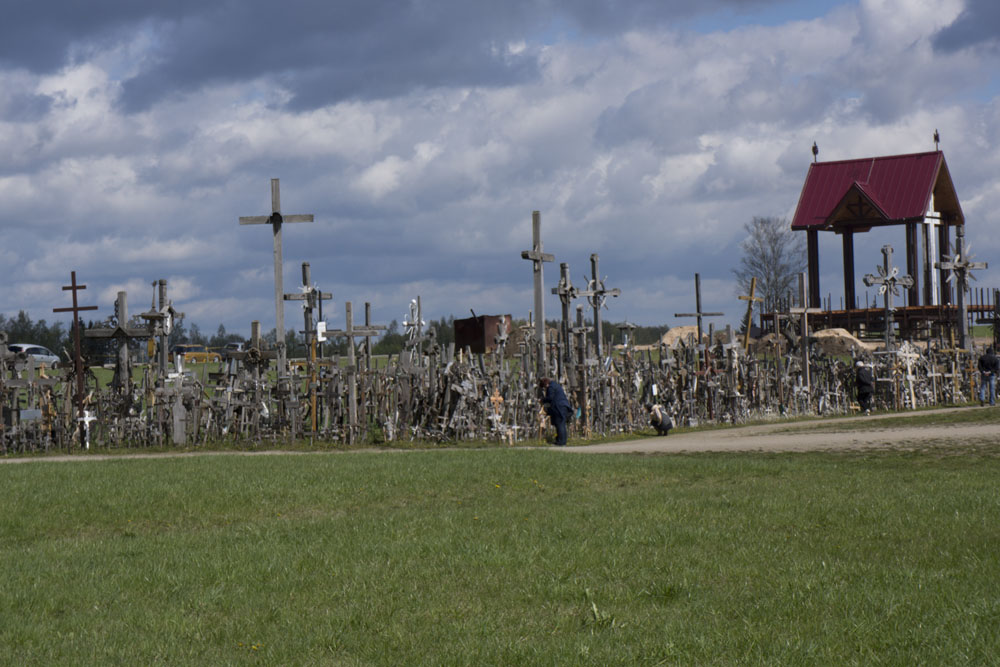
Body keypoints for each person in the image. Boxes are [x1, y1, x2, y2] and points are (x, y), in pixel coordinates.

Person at [539, 377, 572, 446]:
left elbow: (550, 398)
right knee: (560, 424)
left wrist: (543, 400)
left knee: (560, 424)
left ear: (546, 384)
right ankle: (561, 440)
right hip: (563, 406)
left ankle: (561, 442)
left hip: (559, 406)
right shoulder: (555, 385)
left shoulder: (551, 387)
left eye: (544, 387)